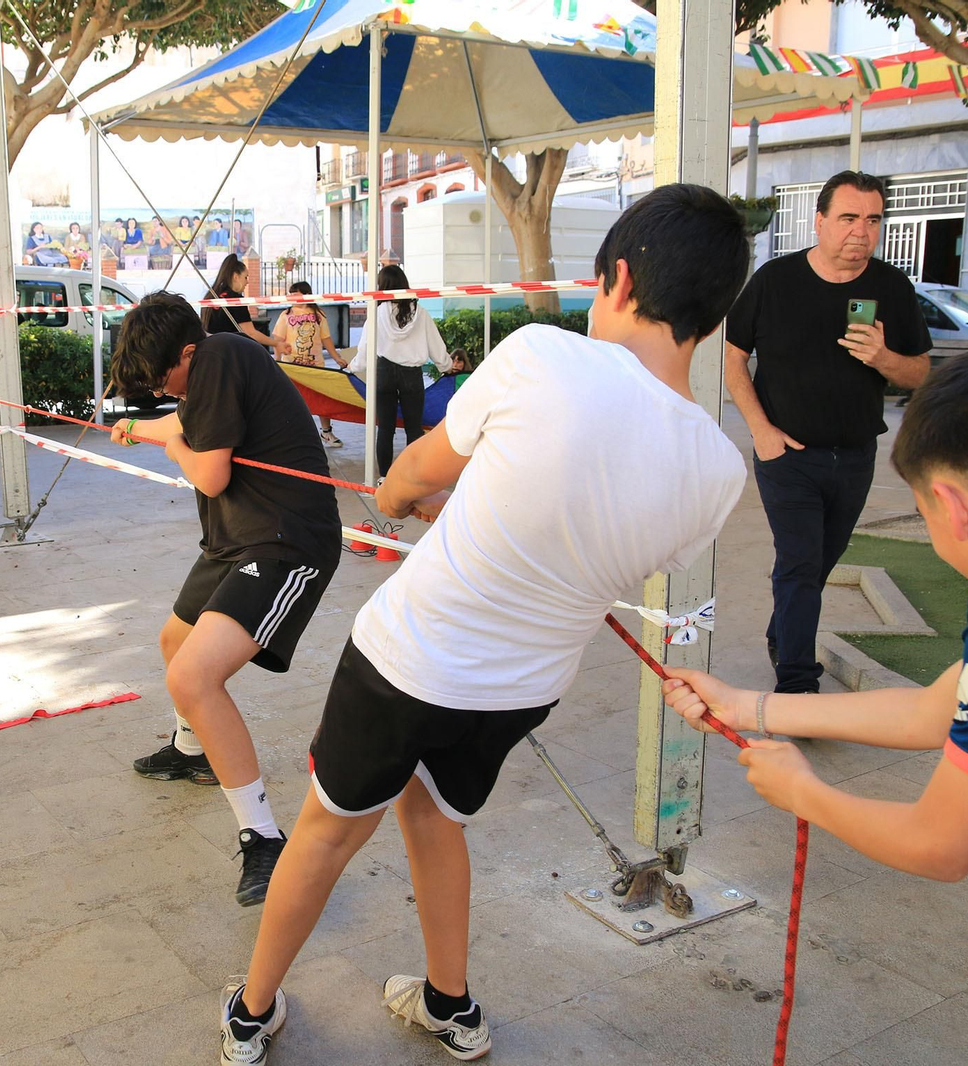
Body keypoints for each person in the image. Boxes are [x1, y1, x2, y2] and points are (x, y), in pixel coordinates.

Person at [220, 184, 752, 1065]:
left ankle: (250, 1013)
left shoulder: (543, 355)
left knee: (327, 830)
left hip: (405, 662)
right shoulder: (718, 469)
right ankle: (450, 1004)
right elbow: (585, 526)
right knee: (437, 819)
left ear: (620, 279)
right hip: (519, 693)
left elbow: (409, 479)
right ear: (715, 311)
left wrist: (404, 499)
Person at [662, 346, 968, 884]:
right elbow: (934, 711)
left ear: (951, 508)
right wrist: (744, 706)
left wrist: (804, 793)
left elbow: (939, 845)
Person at [108, 292, 342, 908]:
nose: (160, 388)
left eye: (161, 377)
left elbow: (207, 472)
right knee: (175, 641)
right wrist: (134, 428)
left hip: (286, 540)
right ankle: (194, 753)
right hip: (234, 539)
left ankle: (263, 837)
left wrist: (171, 448)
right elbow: (178, 423)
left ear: (187, 354)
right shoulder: (209, 368)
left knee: (193, 676)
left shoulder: (220, 358)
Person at [726, 170, 931, 694]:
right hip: (787, 455)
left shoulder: (891, 287)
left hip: (857, 456)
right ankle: (798, 684)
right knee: (799, 563)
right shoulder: (775, 280)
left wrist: (883, 358)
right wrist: (761, 430)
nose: (861, 231)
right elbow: (732, 356)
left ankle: (782, 635)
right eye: (848, 218)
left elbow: (920, 373)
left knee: (818, 564)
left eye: (873, 220)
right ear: (819, 221)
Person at [351, 264, 452, 478]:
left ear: (382, 286)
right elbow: (436, 346)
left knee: (385, 429)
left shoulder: (376, 313)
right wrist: (447, 367)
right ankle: (413, 477)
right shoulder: (420, 313)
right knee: (414, 429)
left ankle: (384, 477)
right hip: (411, 374)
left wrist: (352, 368)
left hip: (384, 372)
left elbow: (365, 349)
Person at [271, 282, 343, 447]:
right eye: (290, 294)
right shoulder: (285, 315)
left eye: (295, 293)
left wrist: (336, 357)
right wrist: (278, 360)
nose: (291, 297)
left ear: (306, 294)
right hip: (293, 368)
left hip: (316, 366)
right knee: (292, 401)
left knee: (322, 399)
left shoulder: (319, 314)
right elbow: (278, 340)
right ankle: (292, 434)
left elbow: (326, 338)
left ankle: (326, 431)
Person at [201, 255, 289, 357]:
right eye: (245, 277)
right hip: (227, 353)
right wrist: (276, 343)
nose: (247, 282)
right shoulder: (235, 300)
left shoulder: (210, 296)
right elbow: (250, 333)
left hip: (208, 352)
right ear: (236, 276)